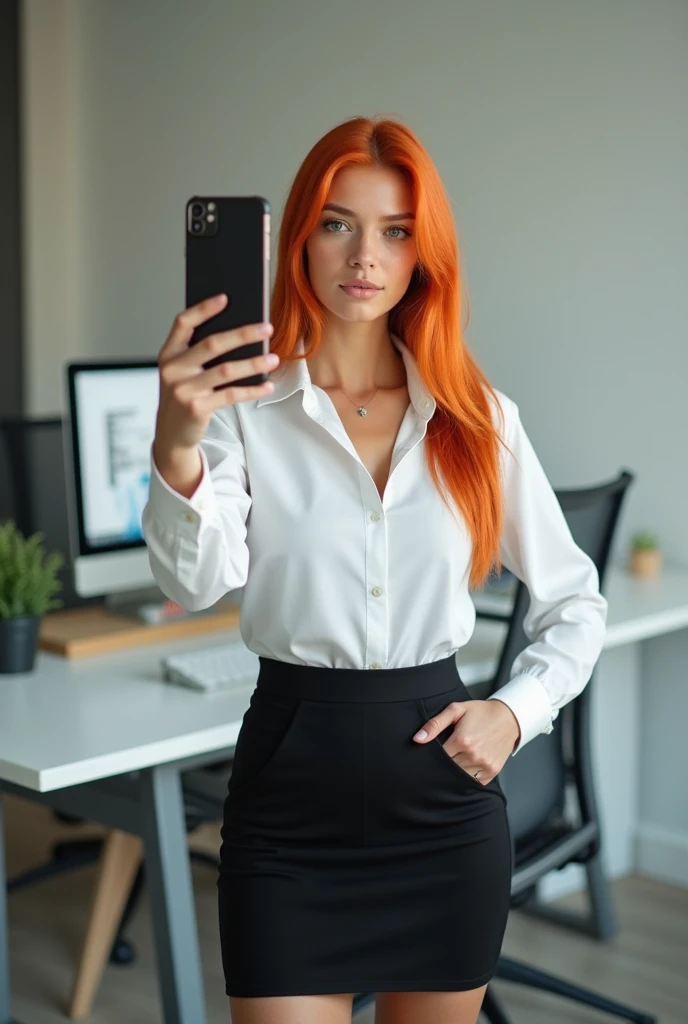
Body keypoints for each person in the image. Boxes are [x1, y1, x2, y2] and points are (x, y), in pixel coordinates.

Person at [142, 116, 608, 1024]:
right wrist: (177, 435)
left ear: (424, 253)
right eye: (337, 223)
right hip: (287, 803)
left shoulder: (477, 417)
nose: (365, 255)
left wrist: (514, 713)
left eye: (395, 230)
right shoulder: (244, 410)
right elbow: (195, 584)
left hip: (442, 810)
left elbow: (574, 602)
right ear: (300, 239)